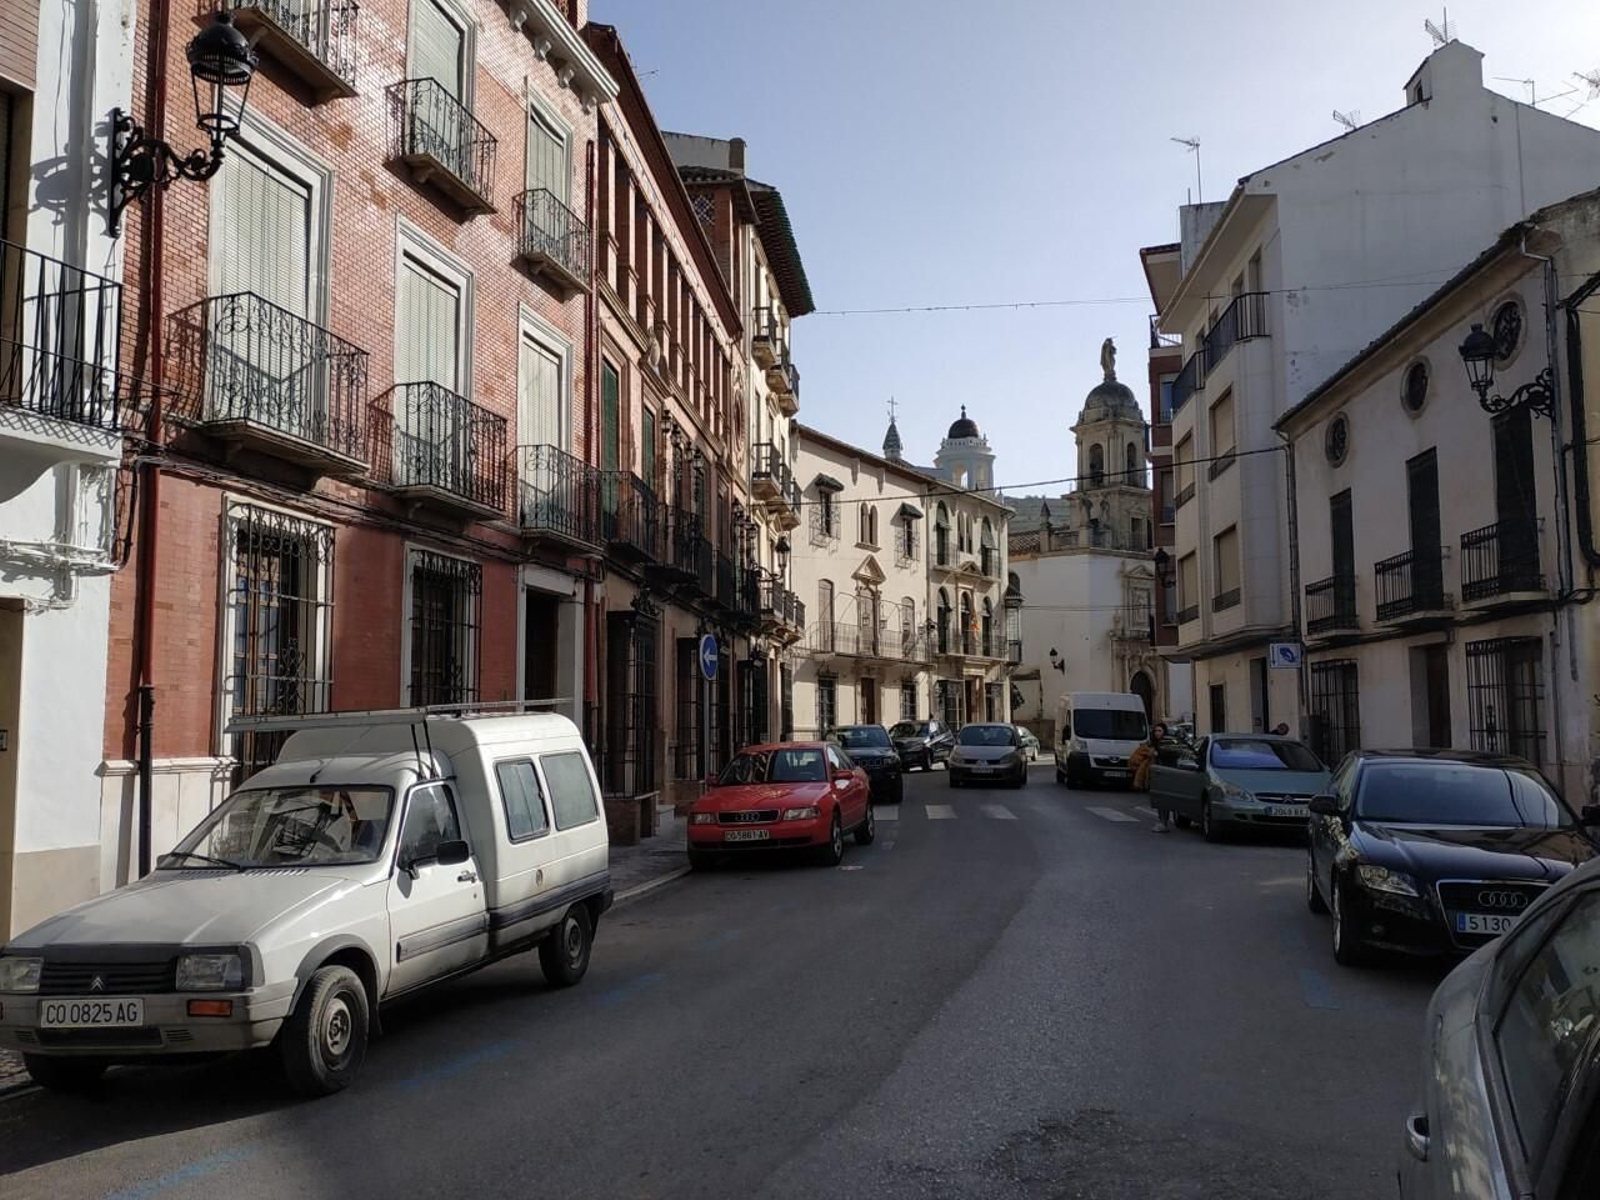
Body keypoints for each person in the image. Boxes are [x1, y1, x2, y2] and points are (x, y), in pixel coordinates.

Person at [1131, 722, 1169, 832]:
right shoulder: (1151, 744)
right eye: (1156, 731)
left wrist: (1158, 754)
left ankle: (1164, 822)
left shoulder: (1168, 743)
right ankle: (1162, 821)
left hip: (1166, 775)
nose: (1157, 733)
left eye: (1160, 731)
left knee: (1164, 801)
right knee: (1158, 800)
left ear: (1164, 732)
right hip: (1155, 775)